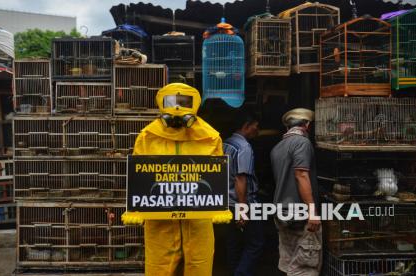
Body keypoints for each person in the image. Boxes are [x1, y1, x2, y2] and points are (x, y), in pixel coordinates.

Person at [128, 83, 223, 276]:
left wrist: (218, 207)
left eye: (183, 102)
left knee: (200, 265)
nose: (178, 108)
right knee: (158, 267)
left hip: (198, 219)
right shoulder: (147, 137)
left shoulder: (210, 137)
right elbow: (139, 178)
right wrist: (136, 209)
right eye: (172, 102)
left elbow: (217, 177)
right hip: (159, 219)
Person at [270, 108, 322, 276]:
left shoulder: (277, 147)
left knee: (289, 264)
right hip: (300, 215)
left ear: (287, 127)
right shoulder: (302, 143)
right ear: (307, 125)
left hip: (283, 214)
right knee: (305, 269)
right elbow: (301, 174)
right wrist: (312, 211)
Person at [223, 111, 264, 276]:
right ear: (246, 126)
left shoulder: (226, 143)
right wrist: (242, 209)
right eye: (256, 126)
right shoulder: (244, 147)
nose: (257, 130)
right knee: (256, 243)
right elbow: (241, 179)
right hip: (243, 204)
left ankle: (234, 272)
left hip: (226, 202)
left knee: (233, 243)